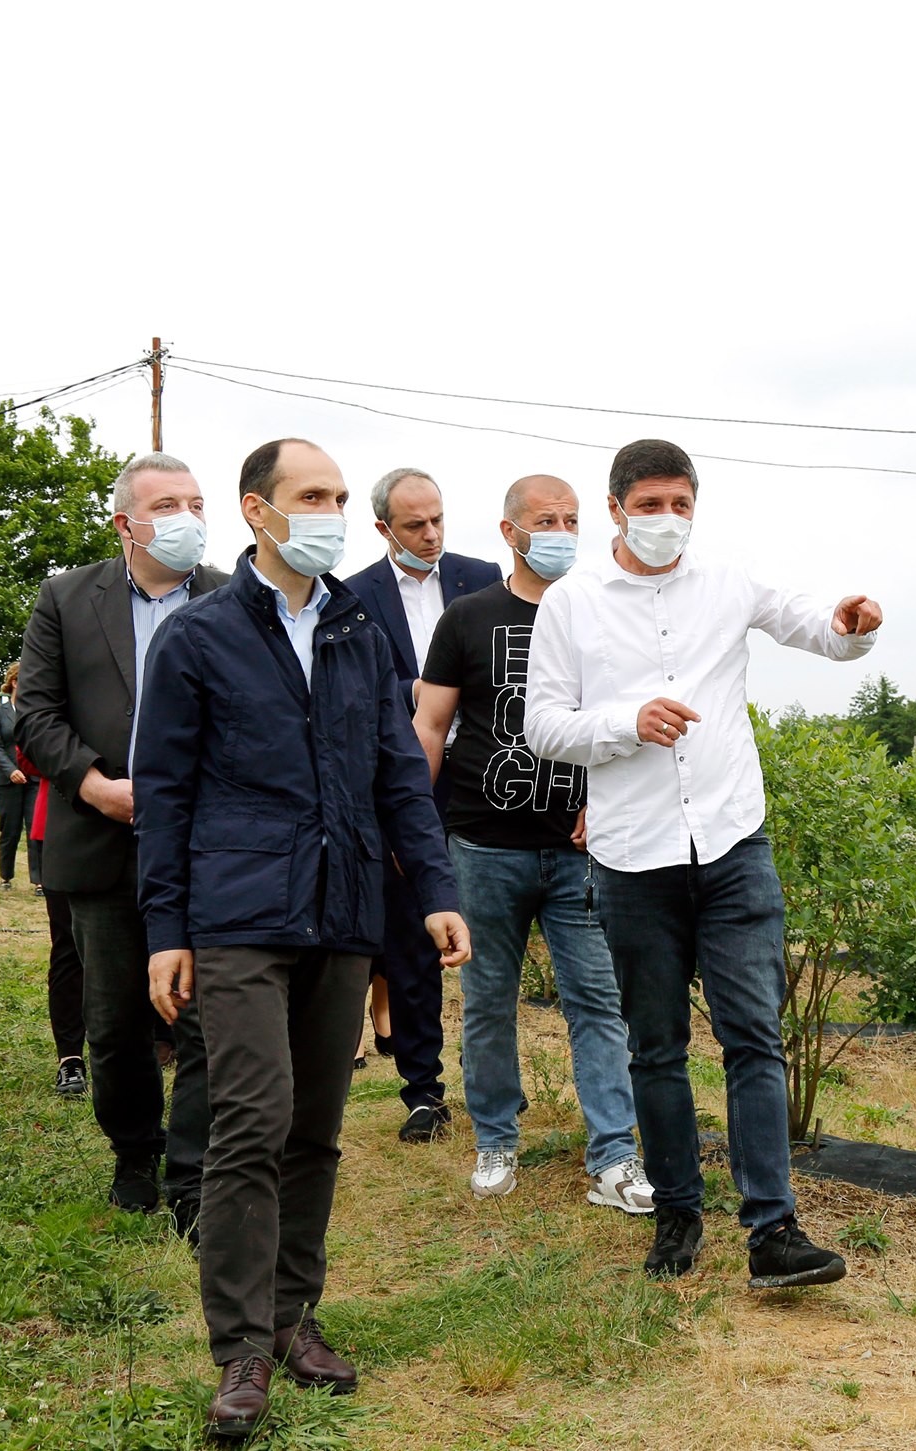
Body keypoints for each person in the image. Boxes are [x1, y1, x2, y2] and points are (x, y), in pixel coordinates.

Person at [136, 437, 469, 1440]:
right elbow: (165, 792)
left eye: (337, 495)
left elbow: (399, 772)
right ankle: (239, 1345)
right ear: (258, 509)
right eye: (311, 495)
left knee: (316, 1126)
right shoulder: (197, 636)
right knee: (251, 1117)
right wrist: (166, 929)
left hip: (345, 907)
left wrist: (434, 888)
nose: (329, 511)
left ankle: (291, 1314)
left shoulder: (359, 629)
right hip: (238, 911)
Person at [524, 439, 883, 1289]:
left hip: (731, 843)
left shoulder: (727, 581)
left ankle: (774, 1230)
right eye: (649, 505)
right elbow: (543, 725)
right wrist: (625, 723)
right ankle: (678, 1216)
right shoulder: (572, 603)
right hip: (633, 855)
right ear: (615, 509)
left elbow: (814, 623)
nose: (666, 519)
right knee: (655, 1046)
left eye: (679, 504)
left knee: (754, 1036)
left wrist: (851, 626)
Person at [413, 474, 653, 1213]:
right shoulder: (467, 617)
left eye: (572, 520)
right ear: (510, 531)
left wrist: (607, 801)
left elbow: (630, 721)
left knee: (598, 1001)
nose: (562, 533)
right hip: (483, 844)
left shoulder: (601, 610)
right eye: (546, 520)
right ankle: (495, 1138)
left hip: (580, 847)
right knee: (488, 999)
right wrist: (413, 828)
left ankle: (614, 1155)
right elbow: (430, 725)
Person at [16, 451, 224, 1236]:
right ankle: (135, 1151)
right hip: (104, 836)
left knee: (206, 1015)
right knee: (114, 1016)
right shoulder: (68, 598)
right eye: (167, 505)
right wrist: (96, 785)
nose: (186, 518)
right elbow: (37, 713)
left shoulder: (231, 597)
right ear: (125, 522)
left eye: (195, 503)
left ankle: (193, 1168)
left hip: (209, 843)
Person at [345, 468, 499, 1142]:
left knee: (491, 929)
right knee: (412, 934)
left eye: (438, 519)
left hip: (486, 777)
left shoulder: (481, 576)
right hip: (408, 781)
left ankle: (497, 1082)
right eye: (415, 525)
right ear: (384, 528)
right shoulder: (353, 595)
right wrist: (425, 690)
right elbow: (361, 688)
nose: (431, 534)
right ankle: (423, 1090)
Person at [20, 737, 87, 1095]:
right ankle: (70, 1057)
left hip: (137, 823)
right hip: (63, 827)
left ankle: (160, 1035)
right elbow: (29, 754)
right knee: (68, 945)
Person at [0, 664, 36, 891]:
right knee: (10, 830)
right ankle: (6, 877)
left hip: (34, 780)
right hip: (7, 781)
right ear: (15, 682)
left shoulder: (35, 712)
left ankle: (39, 880)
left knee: (35, 831)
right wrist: (11, 770)